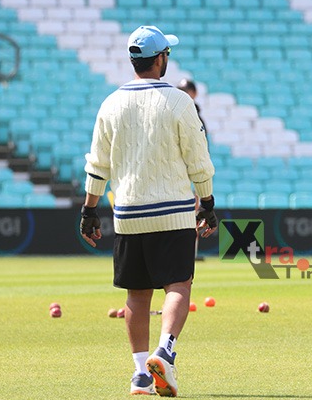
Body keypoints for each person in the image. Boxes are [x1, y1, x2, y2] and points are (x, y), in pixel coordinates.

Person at [79, 25, 217, 397]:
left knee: (136, 295)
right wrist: (207, 202)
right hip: (172, 212)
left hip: (127, 213)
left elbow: (97, 164)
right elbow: (198, 161)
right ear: (160, 59)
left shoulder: (110, 103)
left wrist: (89, 210)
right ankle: (165, 352)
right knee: (178, 284)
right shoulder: (179, 101)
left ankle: (141, 374)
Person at [177, 78, 207, 262]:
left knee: (192, 214)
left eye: (186, 90)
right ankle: (184, 253)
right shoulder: (177, 110)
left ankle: (190, 253)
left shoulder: (194, 114)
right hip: (179, 170)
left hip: (191, 170)